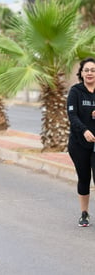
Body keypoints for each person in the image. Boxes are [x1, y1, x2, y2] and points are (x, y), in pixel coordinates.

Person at [67, 57, 95, 227]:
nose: (90, 73)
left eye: (93, 70)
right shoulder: (76, 91)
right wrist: (84, 130)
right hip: (79, 144)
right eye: (87, 70)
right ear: (82, 73)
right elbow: (72, 115)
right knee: (84, 178)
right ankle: (84, 213)